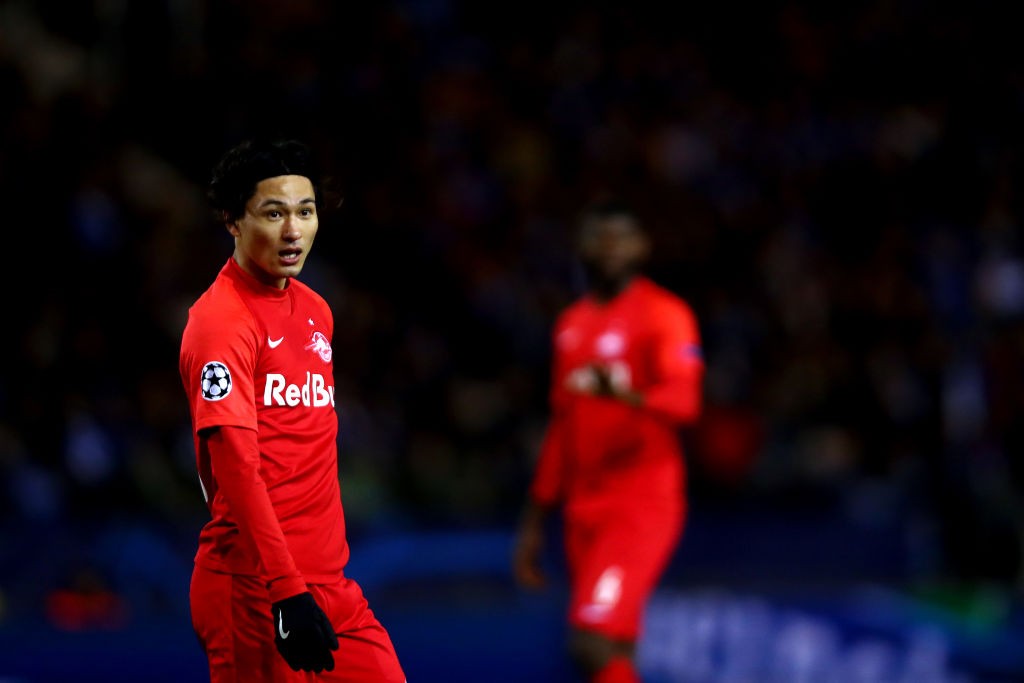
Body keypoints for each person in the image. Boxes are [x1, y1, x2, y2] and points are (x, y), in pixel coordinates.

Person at [179, 138, 405, 682]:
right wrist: (285, 591)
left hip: (331, 585)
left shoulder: (314, 311)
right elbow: (235, 467)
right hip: (256, 588)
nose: (293, 231)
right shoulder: (221, 323)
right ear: (233, 221)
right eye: (273, 213)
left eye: (305, 212)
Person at [513, 199, 705, 683]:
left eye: (621, 236)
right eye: (600, 237)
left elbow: (685, 401)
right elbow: (563, 425)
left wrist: (628, 395)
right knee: (616, 647)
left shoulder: (666, 314)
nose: (610, 247)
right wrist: (536, 520)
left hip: (640, 502)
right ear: (583, 248)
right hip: (584, 506)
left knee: (590, 639)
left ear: (642, 246)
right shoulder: (571, 325)